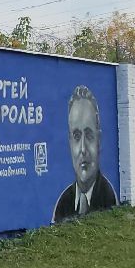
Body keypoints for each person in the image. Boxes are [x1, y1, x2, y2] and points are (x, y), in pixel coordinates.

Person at [52, 85, 117, 221]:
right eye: (76, 136)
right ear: (70, 142)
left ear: (99, 140)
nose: (82, 149)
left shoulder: (109, 198)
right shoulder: (63, 204)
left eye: (89, 135)